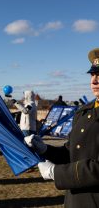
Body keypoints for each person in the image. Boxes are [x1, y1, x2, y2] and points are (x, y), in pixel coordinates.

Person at [24, 47, 99, 208]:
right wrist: (45, 149)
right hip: (74, 200)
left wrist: (55, 173)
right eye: (93, 74)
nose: (94, 81)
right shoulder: (84, 112)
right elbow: (70, 151)